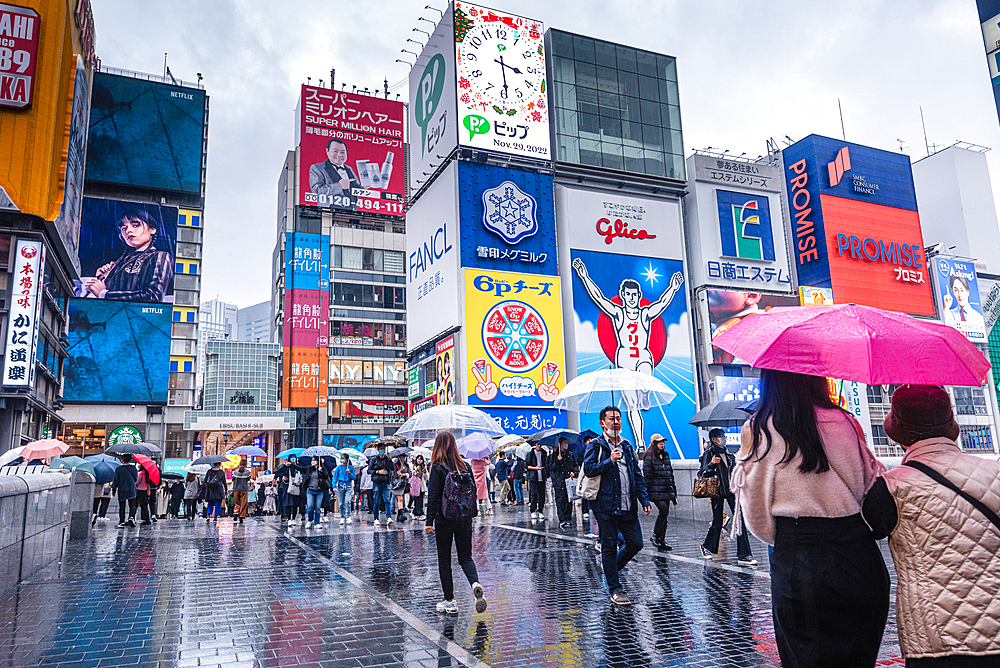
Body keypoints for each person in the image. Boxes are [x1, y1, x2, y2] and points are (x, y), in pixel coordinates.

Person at [734, 370, 888, 668]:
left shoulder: (760, 427)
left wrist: (789, 540)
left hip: (799, 554)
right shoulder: (844, 421)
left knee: (805, 657)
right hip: (857, 553)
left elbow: (755, 512)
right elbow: (868, 485)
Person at [862, 385, 1000, 666]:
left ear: (897, 433)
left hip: (936, 638)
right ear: (952, 425)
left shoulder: (891, 487)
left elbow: (867, 530)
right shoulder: (994, 472)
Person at [573, 257, 684, 450]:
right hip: (624, 359)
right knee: (633, 406)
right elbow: (598, 298)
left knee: (645, 368)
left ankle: (645, 390)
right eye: (628, 295)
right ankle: (640, 443)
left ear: (639, 296)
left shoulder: (645, 313)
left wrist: (673, 288)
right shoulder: (618, 313)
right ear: (623, 296)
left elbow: (662, 303)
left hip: (642, 356)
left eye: (635, 295)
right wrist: (584, 277)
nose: (632, 298)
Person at [583, 406, 651, 606]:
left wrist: (644, 499)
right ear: (602, 423)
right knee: (609, 546)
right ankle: (615, 588)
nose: (617, 422)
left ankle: (610, 568)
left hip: (628, 505)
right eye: (612, 419)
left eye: (619, 418)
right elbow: (589, 469)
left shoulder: (627, 445)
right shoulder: (596, 445)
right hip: (605, 506)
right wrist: (609, 460)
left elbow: (636, 474)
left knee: (635, 543)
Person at [425, 432, 487, 615]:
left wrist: (429, 522)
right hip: (464, 517)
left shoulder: (436, 468)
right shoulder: (465, 465)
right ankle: (475, 583)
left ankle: (450, 601)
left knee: (444, 560)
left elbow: (433, 496)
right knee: (465, 557)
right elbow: (472, 492)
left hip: (444, 519)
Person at [81, 209, 174, 302]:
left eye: (135, 225)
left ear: (152, 229)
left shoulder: (160, 256)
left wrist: (104, 294)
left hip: (138, 315)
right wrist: (104, 279)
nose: (128, 231)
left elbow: (153, 296)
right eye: (124, 228)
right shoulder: (122, 262)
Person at [699, 428, 755, 564]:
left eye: (723, 436)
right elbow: (702, 474)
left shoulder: (729, 454)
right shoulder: (709, 454)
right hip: (716, 491)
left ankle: (744, 554)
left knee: (740, 519)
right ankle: (706, 546)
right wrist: (711, 464)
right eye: (720, 436)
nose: (723, 438)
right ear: (713, 439)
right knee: (718, 521)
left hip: (731, 490)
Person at [642, 433, 678, 551]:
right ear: (654, 444)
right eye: (659, 442)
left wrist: (674, 491)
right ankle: (655, 536)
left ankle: (661, 539)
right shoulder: (648, 456)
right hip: (655, 490)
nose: (662, 444)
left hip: (666, 489)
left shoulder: (665, 455)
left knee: (665, 514)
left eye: (663, 442)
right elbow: (647, 476)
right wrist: (645, 496)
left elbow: (670, 473)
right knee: (664, 511)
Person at [547, 437, 578, 527]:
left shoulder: (570, 455)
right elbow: (550, 468)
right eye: (564, 443)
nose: (566, 444)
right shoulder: (553, 456)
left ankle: (568, 518)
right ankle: (562, 519)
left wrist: (574, 472)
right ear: (560, 444)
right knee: (560, 501)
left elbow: (575, 465)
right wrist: (557, 460)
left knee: (569, 500)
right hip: (558, 482)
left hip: (569, 481)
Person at [368, 444, 395, 527]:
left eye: (384, 449)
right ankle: (376, 518)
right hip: (377, 482)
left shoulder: (387, 459)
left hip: (386, 482)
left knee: (387, 500)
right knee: (376, 500)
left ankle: (389, 517)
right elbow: (369, 470)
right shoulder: (374, 460)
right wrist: (378, 471)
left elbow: (392, 468)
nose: (382, 450)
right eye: (381, 449)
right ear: (378, 450)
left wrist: (390, 459)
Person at [112, 455, 138, 528]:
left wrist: (113, 490)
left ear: (122, 460)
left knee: (122, 506)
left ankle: (122, 521)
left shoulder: (118, 469)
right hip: (131, 488)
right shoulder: (133, 468)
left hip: (122, 488)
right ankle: (131, 517)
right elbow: (136, 478)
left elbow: (115, 480)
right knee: (132, 504)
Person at [303, 457, 330, 528]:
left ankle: (317, 522)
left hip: (319, 490)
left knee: (317, 507)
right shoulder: (309, 468)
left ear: (317, 461)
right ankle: (310, 520)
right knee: (310, 506)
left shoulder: (322, 468)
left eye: (314, 460)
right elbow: (301, 469)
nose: (312, 462)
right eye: (312, 460)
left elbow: (326, 476)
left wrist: (321, 471)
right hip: (310, 490)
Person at [526, 440, 548, 520]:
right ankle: (533, 511)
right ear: (535, 444)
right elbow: (527, 466)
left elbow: (546, 463)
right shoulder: (530, 454)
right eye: (538, 444)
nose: (540, 445)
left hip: (542, 476)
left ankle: (540, 510)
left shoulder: (544, 453)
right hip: (533, 477)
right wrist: (535, 468)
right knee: (533, 495)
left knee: (542, 495)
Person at [334, 454, 356, 525]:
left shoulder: (351, 467)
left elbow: (354, 477)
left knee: (347, 502)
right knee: (341, 503)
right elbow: (335, 477)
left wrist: (349, 473)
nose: (342, 459)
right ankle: (342, 517)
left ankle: (348, 516)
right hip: (340, 486)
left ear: (347, 459)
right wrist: (334, 486)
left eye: (343, 458)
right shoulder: (339, 467)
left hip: (348, 486)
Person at [231, 458, 251, 523]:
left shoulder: (235, 472)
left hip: (236, 489)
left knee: (236, 502)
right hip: (244, 489)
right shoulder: (247, 472)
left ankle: (235, 513)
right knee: (243, 503)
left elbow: (232, 479)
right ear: (245, 465)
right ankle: (241, 516)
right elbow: (248, 479)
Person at [409, 456, 428, 520]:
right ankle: (420, 513)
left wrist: (424, 472)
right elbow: (411, 475)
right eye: (418, 459)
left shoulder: (424, 467)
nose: (419, 461)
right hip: (415, 486)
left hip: (421, 486)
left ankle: (415, 512)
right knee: (417, 500)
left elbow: (426, 478)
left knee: (420, 500)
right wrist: (416, 470)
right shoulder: (413, 466)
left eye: (421, 459)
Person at [393, 455, 411, 522]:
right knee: (400, 499)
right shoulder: (395, 465)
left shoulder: (407, 465)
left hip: (404, 484)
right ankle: (401, 514)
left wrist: (405, 474)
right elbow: (393, 474)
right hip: (397, 484)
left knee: (402, 498)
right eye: (401, 457)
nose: (403, 458)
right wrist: (399, 471)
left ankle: (399, 515)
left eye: (404, 457)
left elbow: (410, 473)